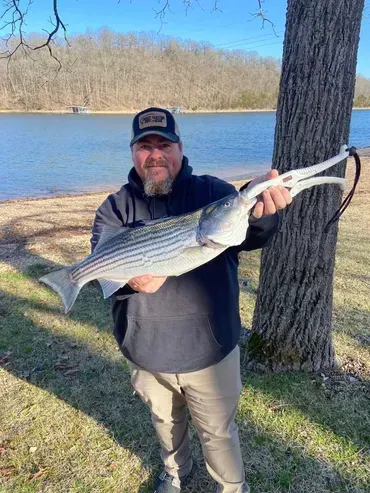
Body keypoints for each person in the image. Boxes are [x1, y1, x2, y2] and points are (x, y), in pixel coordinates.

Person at [91, 108, 292, 493]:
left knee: (217, 432)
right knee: (166, 424)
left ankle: (232, 487)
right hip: (147, 351)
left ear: (180, 148)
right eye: (145, 146)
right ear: (133, 153)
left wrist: (263, 215)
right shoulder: (114, 208)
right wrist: (129, 280)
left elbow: (252, 234)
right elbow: (105, 269)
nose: (155, 155)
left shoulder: (215, 193)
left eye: (164, 144)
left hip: (211, 351)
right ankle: (175, 472)